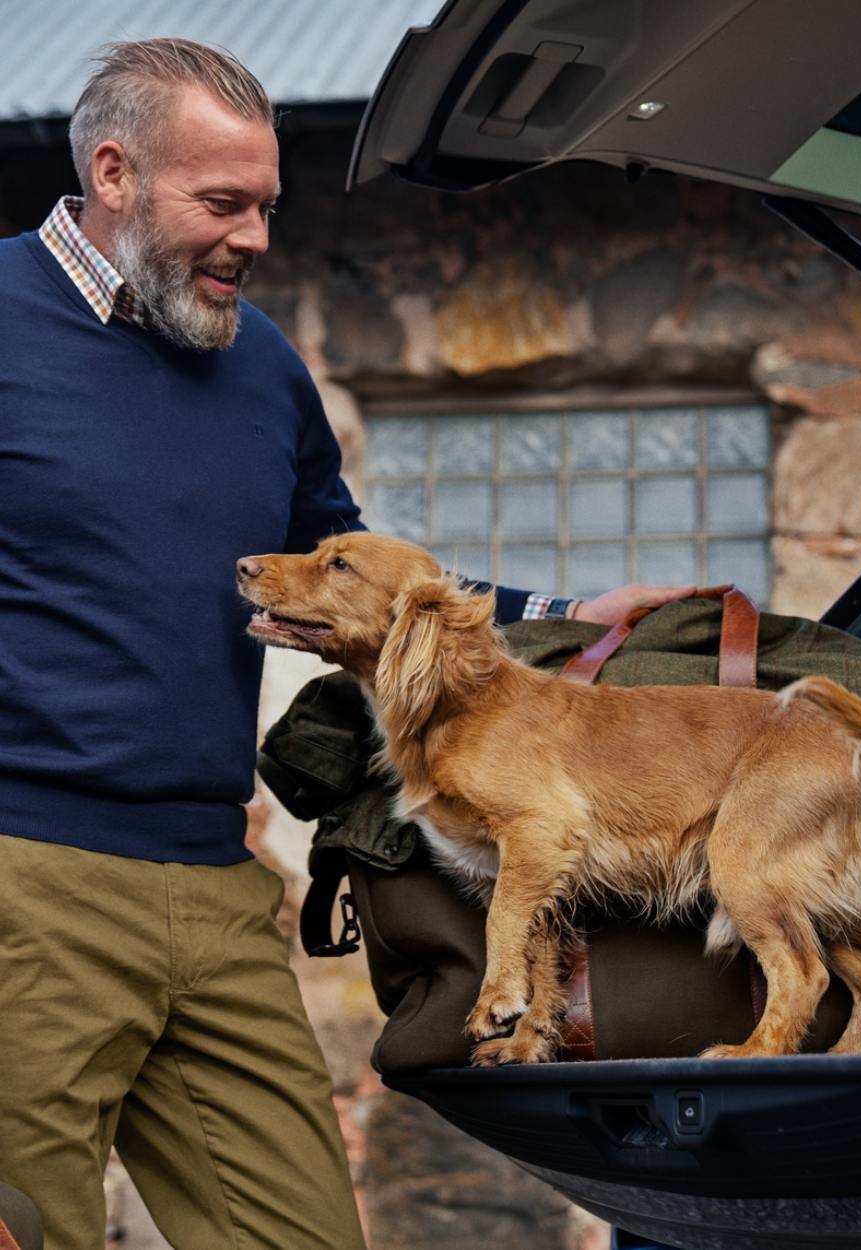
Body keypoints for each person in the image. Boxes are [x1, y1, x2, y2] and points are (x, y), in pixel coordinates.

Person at [0, 38, 694, 1250]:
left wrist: (563, 612)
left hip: (218, 888)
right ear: (113, 172)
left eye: (266, 205)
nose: (255, 236)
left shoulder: (260, 363)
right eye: (222, 204)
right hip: (28, 884)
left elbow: (358, 571)